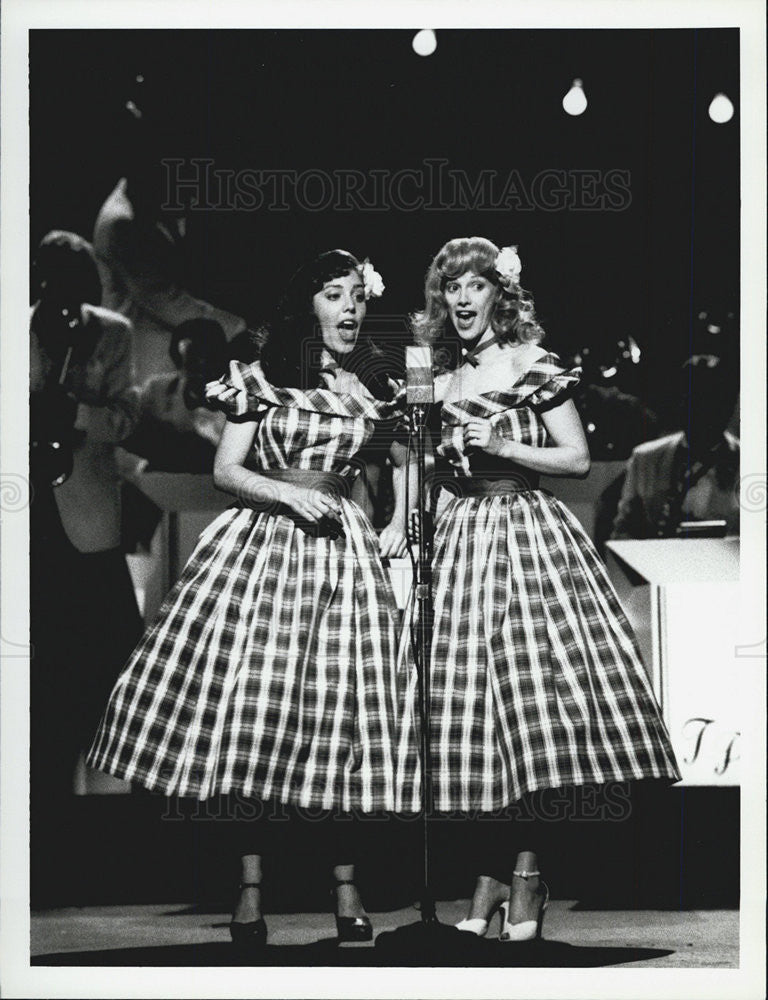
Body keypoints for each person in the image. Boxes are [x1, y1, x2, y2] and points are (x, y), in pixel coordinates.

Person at [87, 249, 413, 947]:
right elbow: (226, 470)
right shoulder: (260, 379)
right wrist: (291, 492)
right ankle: (249, 891)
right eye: (335, 294)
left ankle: (347, 887)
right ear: (310, 306)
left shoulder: (370, 387)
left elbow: (404, 460)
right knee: (255, 720)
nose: (351, 308)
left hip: (342, 558)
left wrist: (390, 520)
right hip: (267, 550)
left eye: (358, 295)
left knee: (340, 722)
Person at [395, 237, 680, 941]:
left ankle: (525, 876)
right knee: (470, 728)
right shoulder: (438, 375)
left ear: (501, 294)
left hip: (522, 537)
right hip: (457, 540)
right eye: (451, 288)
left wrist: (502, 446)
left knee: (530, 718)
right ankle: (489, 880)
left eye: (476, 286)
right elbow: (417, 462)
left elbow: (577, 460)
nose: (462, 300)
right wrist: (410, 502)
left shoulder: (533, 366)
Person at [29, 231, 143, 891]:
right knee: (39, 681)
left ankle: (111, 844)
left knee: (103, 673)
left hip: (88, 519)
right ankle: (41, 836)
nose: (66, 291)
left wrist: (70, 412)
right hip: (28, 516)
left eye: (79, 278)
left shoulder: (114, 332)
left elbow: (125, 419)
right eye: (54, 277)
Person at [93, 163, 246, 382]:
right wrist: (233, 326)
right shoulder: (121, 225)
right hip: (146, 352)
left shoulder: (151, 198)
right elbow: (160, 297)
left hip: (172, 340)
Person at [610, 353, 740, 539]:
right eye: (693, 399)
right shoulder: (644, 459)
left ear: (729, 405)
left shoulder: (752, 462)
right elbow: (623, 532)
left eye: (712, 400)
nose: (702, 411)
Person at [121, 317, 229, 473]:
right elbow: (126, 432)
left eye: (208, 360)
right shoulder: (157, 390)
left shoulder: (240, 401)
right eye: (192, 363)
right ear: (179, 363)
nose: (201, 370)